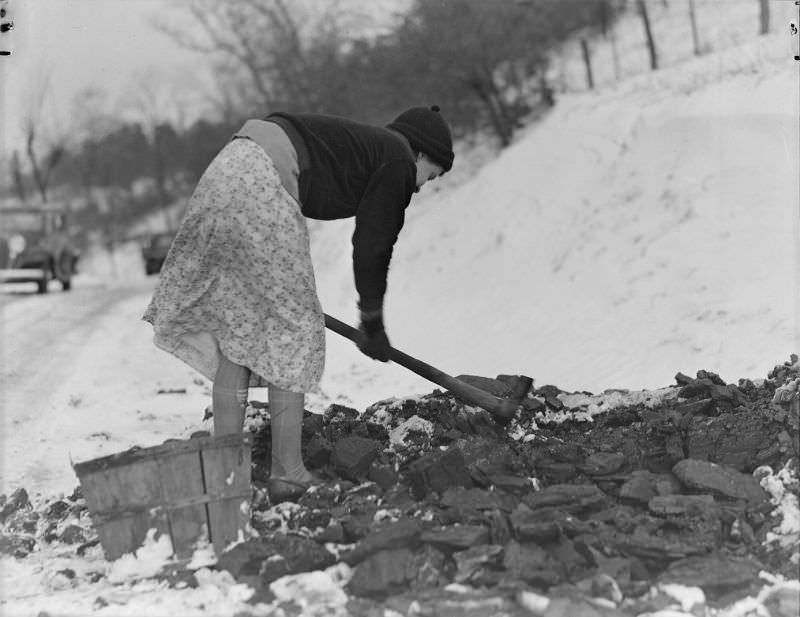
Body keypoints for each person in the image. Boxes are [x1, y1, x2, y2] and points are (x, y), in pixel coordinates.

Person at [142, 105, 454, 503]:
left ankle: (226, 478)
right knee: (294, 329)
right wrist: (373, 320)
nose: (422, 186)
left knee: (242, 330)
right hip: (263, 180)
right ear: (421, 153)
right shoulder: (398, 159)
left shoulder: (370, 149)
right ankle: (287, 474)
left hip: (230, 168)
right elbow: (374, 245)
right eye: (432, 175)